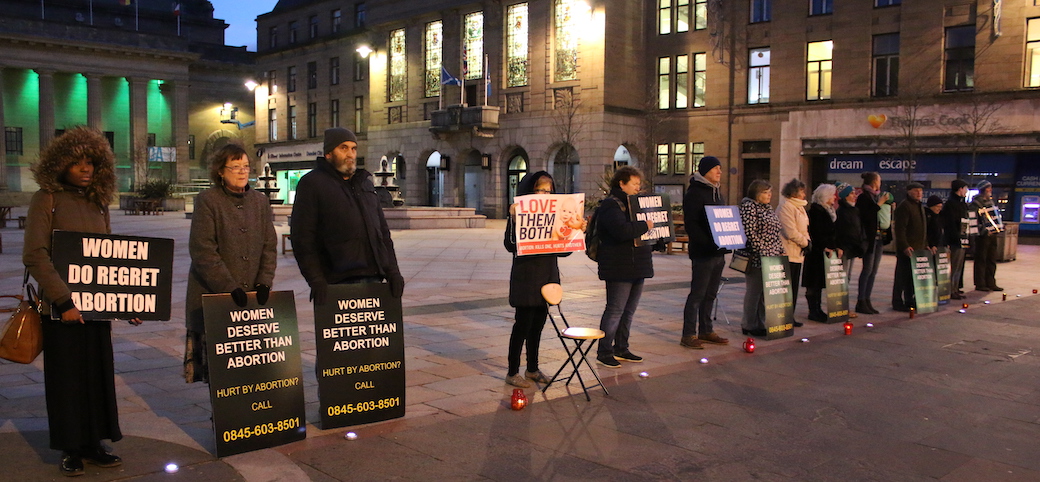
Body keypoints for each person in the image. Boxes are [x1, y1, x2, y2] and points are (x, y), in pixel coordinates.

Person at [23, 127, 137, 476]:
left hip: (97, 308)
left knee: (97, 376)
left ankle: (94, 442)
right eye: (77, 163)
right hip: (62, 310)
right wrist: (63, 300)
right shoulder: (47, 198)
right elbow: (35, 254)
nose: (85, 169)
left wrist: (128, 302)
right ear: (60, 165)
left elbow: (108, 259)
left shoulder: (97, 201)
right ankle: (70, 447)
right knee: (67, 379)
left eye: (90, 162)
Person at [184, 144, 278, 383]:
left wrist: (264, 282)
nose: (242, 171)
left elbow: (269, 246)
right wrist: (229, 286)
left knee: (251, 368)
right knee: (221, 372)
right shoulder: (208, 201)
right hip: (215, 297)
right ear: (220, 171)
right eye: (235, 167)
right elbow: (203, 251)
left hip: (252, 302)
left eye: (245, 166)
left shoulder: (260, 202)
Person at [291, 128, 405, 306]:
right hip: (338, 281)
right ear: (328, 153)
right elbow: (302, 239)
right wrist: (316, 279)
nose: (350, 154)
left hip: (374, 279)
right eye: (343, 148)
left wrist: (393, 272)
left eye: (353, 148)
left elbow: (382, 234)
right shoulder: (312, 184)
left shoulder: (364, 184)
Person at [503, 171, 575, 387]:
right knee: (522, 326)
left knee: (538, 326)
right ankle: (512, 371)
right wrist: (514, 218)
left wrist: (575, 233)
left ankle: (532, 368)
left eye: (548, 190)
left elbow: (564, 251)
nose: (545, 193)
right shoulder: (520, 214)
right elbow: (510, 245)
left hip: (547, 276)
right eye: (540, 189)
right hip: (526, 277)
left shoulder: (556, 216)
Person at [595, 166, 654, 368]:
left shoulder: (636, 204)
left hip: (638, 263)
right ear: (622, 183)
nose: (638, 187)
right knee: (615, 309)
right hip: (619, 266)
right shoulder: (612, 205)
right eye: (634, 183)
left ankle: (622, 347)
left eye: (639, 184)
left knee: (629, 310)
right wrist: (645, 226)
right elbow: (620, 231)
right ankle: (604, 351)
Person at [681, 156, 732, 348]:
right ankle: (688, 334)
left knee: (711, 293)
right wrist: (707, 243)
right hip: (703, 252)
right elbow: (692, 224)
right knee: (698, 294)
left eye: (720, 168)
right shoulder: (695, 193)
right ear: (705, 171)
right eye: (715, 168)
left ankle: (706, 329)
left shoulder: (717, 193)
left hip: (718, 251)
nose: (719, 172)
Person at [739, 180, 785, 336]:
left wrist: (780, 250)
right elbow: (750, 233)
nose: (769, 195)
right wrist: (763, 251)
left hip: (772, 257)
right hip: (757, 257)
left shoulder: (768, 208)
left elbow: (775, 232)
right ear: (756, 193)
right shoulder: (748, 207)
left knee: (765, 294)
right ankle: (749, 324)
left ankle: (761, 323)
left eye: (770, 192)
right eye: (765, 192)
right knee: (754, 292)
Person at [854, 171, 892, 315]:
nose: (880, 184)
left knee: (874, 271)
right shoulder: (864, 197)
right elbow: (867, 215)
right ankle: (861, 300)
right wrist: (879, 205)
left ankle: (867, 299)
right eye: (879, 181)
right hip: (869, 239)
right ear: (874, 182)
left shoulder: (875, 197)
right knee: (867, 270)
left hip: (879, 238)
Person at [775, 178, 810, 328]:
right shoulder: (786, 206)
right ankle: (783, 317)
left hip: (798, 253)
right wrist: (805, 242)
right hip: (787, 251)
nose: (804, 193)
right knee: (786, 288)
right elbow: (790, 231)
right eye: (801, 191)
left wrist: (807, 241)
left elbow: (805, 228)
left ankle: (790, 316)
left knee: (794, 287)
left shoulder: (800, 207)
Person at [803, 183, 840, 323]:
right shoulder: (816, 211)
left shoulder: (829, 210)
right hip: (816, 253)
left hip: (825, 252)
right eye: (832, 195)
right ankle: (813, 310)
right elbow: (816, 232)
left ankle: (818, 309)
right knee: (814, 282)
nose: (835, 198)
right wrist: (824, 246)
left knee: (819, 282)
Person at [892, 182, 927, 311]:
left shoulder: (919, 206)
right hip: (907, 249)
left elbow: (923, 228)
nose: (919, 193)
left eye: (921, 191)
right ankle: (897, 301)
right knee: (901, 276)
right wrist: (904, 246)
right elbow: (900, 229)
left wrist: (926, 244)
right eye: (916, 190)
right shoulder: (905, 206)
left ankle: (909, 299)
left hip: (918, 249)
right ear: (909, 192)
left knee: (911, 278)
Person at [971, 179, 1003, 292]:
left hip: (993, 235)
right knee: (981, 259)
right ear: (983, 190)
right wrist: (984, 230)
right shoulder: (976, 204)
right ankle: (980, 283)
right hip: (982, 236)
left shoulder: (991, 203)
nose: (990, 190)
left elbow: (994, 217)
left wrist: (998, 227)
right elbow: (973, 220)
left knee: (991, 259)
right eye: (988, 188)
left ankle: (991, 282)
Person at [941, 179, 970, 299]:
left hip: (963, 238)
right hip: (955, 240)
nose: (966, 191)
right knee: (953, 265)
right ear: (960, 189)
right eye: (965, 188)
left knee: (959, 265)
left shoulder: (962, 203)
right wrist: (956, 238)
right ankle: (950, 289)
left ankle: (956, 287)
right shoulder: (951, 204)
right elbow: (950, 224)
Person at [835, 182, 865, 287]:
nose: (854, 196)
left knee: (848, 276)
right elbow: (840, 230)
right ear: (845, 196)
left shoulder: (855, 210)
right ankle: (840, 300)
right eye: (852, 194)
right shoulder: (841, 211)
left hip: (853, 246)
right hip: (844, 247)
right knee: (842, 275)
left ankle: (844, 299)